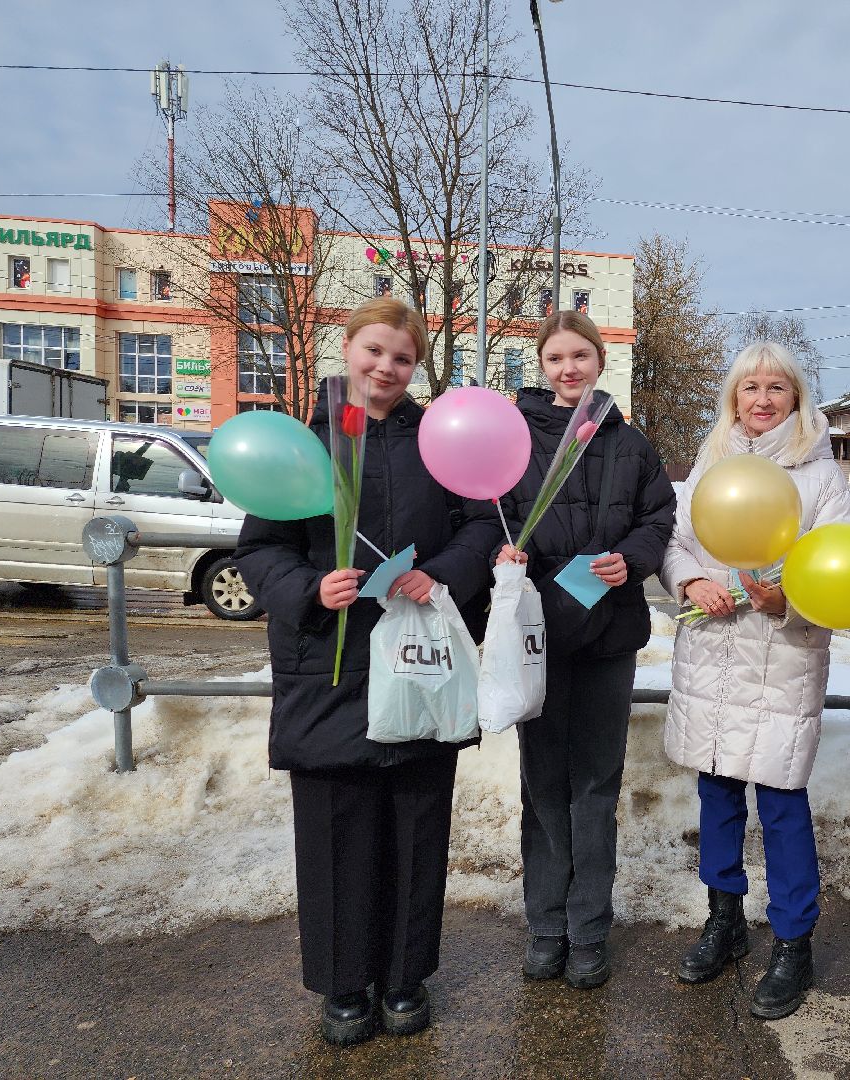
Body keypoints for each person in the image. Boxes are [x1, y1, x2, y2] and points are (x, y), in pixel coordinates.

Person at [235, 298, 490, 1047]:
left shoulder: (439, 442)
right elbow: (259, 551)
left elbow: (480, 526)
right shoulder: (305, 440)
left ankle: (407, 979)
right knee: (337, 830)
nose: (385, 368)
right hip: (330, 664)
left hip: (417, 658)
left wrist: (441, 574)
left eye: (402, 359)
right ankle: (345, 986)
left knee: (417, 823)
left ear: (417, 367)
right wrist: (310, 590)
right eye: (374, 351)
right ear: (346, 348)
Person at [660, 341, 850, 1021]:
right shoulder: (713, 460)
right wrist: (693, 579)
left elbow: (841, 569)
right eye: (750, 387)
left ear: (797, 398)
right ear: (733, 396)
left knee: (780, 804)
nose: (763, 399)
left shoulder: (822, 479)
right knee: (717, 794)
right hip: (713, 650)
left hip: (782, 657)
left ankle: (794, 940)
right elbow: (677, 541)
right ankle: (726, 920)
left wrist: (789, 602)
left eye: (777, 388)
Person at [489, 310, 675, 990]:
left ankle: (589, 929)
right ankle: (545, 927)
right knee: (543, 785)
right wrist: (500, 553)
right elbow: (486, 513)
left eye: (580, 356)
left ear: (600, 361)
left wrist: (632, 557)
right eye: (555, 358)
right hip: (538, 634)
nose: (568, 369)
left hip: (607, 638)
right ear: (542, 367)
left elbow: (659, 517)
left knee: (595, 786)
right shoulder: (513, 440)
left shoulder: (632, 444)